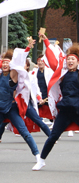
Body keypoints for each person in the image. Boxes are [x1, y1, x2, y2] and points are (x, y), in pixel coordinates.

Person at [0, 38, 41, 166]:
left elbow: (18, 62)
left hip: (11, 108)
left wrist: (28, 48)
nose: (4, 65)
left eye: (7, 63)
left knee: (24, 132)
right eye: (3, 62)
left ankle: (37, 155)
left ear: (11, 65)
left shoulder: (13, 75)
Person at [32, 35, 79, 171]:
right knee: (53, 137)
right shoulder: (62, 74)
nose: (70, 61)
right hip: (64, 111)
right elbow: (53, 60)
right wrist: (46, 41)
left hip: (77, 110)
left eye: (73, 59)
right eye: (69, 58)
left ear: (77, 62)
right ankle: (41, 160)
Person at [0, 56, 51, 143]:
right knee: (4, 120)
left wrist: (39, 99)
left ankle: (51, 136)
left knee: (37, 119)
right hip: (13, 102)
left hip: (25, 102)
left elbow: (35, 89)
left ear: (27, 66)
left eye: (23, 64)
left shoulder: (31, 76)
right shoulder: (13, 74)